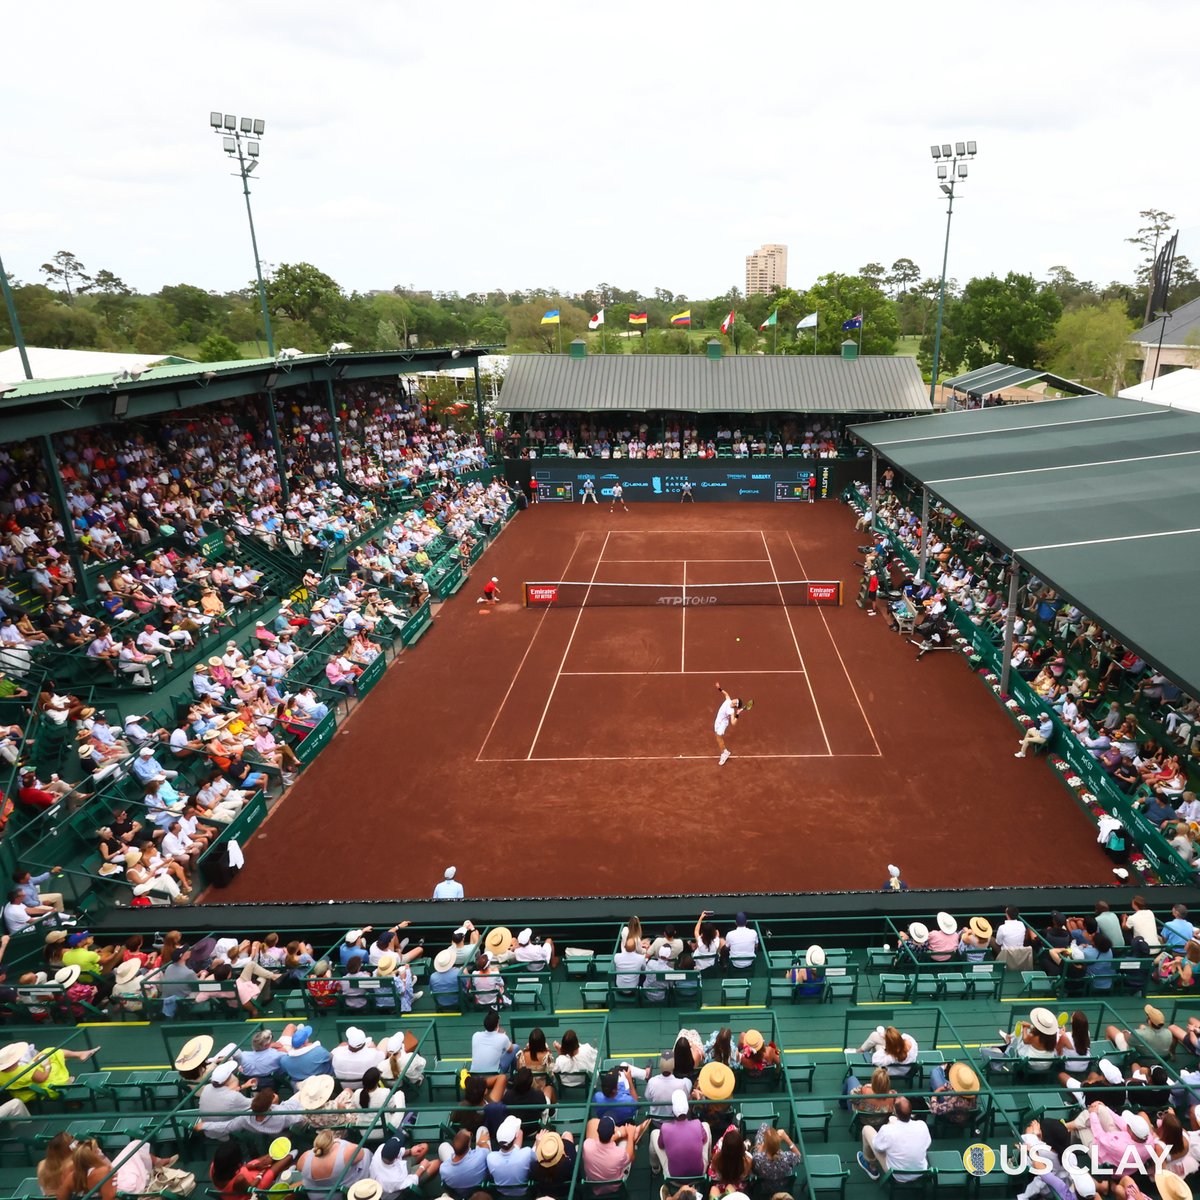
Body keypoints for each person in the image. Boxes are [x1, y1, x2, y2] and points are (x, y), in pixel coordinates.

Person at [857, 1095, 931, 1181]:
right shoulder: (922, 1125)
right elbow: (927, 1144)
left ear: (895, 1111)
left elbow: (877, 1147)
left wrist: (889, 1126)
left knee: (867, 1129)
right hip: (920, 1172)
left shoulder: (887, 1129)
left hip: (897, 1174)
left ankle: (871, 1167)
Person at [582, 1114, 648, 1189]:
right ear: (613, 1132)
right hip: (614, 1186)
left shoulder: (587, 1145)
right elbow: (631, 1157)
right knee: (625, 1142)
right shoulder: (620, 1154)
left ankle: (628, 1132)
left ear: (597, 1131)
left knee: (592, 1123)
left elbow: (599, 1141)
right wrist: (630, 1135)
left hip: (593, 1185)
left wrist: (619, 1134)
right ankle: (633, 1133)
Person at [487, 1113, 534, 1197]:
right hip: (525, 1194)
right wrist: (537, 1143)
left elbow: (515, 1149)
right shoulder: (527, 1153)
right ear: (516, 1136)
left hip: (501, 1194)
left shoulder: (491, 1157)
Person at [437, 1127, 491, 1193]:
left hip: (459, 1193)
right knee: (482, 1129)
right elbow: (486, 1150)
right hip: (480, 1190)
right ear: (469, 1144)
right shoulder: (480, 1156)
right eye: (470, 1135)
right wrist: (482, 1142)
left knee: (443, 1146)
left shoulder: (443, 1169)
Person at [712, 682, 750, 766]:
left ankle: (724, 754)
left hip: (723, 723)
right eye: (736, 699)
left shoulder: (732, 711)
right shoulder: (728, 700)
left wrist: (737, 714)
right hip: (718, 721)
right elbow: (726, 694)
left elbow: (733, 723)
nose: (735, 699)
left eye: (736, 700)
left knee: (718, 736)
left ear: (735, 704)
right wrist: (719, 688)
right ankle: (725, 751)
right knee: (718, 738)